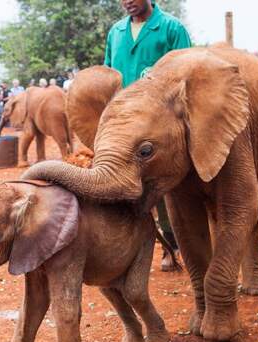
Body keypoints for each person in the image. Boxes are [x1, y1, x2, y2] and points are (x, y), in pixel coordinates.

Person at [104, 0, 191, 271]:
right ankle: (135, 254)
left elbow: (189, 73)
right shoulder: (115, 33)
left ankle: (176, 246)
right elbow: (109, 76)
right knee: (122, 189)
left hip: (159, 128)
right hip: (124, 127)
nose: (127, 1)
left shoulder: (170, 28)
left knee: (163, 188)